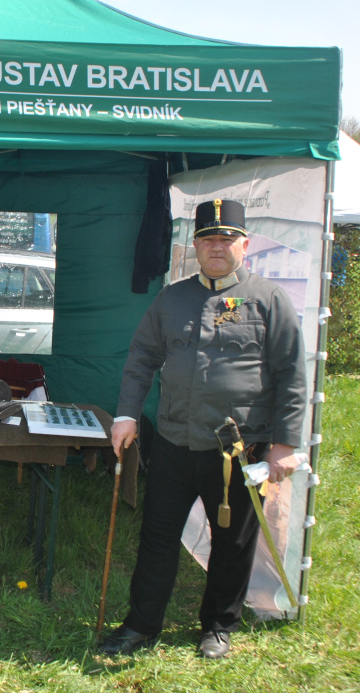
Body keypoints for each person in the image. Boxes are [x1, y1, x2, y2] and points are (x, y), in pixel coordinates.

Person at [99, 198, 307, 661]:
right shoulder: (172, 299)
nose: (217, 246)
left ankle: (218, 626)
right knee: (157, 537)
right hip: (174, 443)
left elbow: (291, 374)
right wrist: (126, 414)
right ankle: (141, 625)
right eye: (208, 238)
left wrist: (284, 444)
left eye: (227, 238)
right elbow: (142, 358)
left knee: (232, 542)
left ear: (245, 245)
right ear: (195, 246)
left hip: (238, 450)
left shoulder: (269, 299)